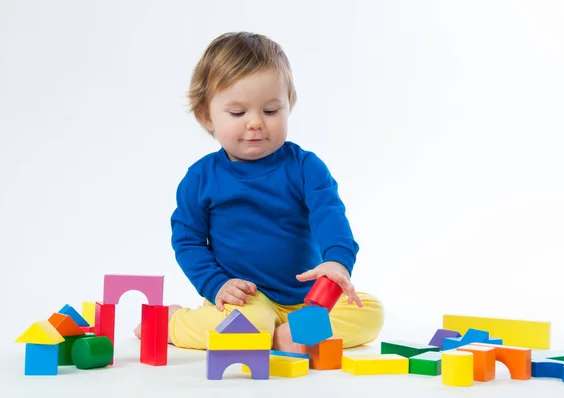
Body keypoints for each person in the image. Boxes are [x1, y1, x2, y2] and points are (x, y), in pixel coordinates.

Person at [134, 31, 384, 352]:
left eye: (270, 111)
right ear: (206, 116)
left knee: (371, 312)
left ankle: (286, 335)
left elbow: (331, 218)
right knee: (249, 326)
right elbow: (188, 241)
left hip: (307, 299)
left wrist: (336, 263)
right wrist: (217, 285)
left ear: (288, 107)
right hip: (247, 299)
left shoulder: (306, 167)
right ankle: (174, 323)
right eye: (238, 113)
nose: (255, 123)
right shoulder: (200, 178)